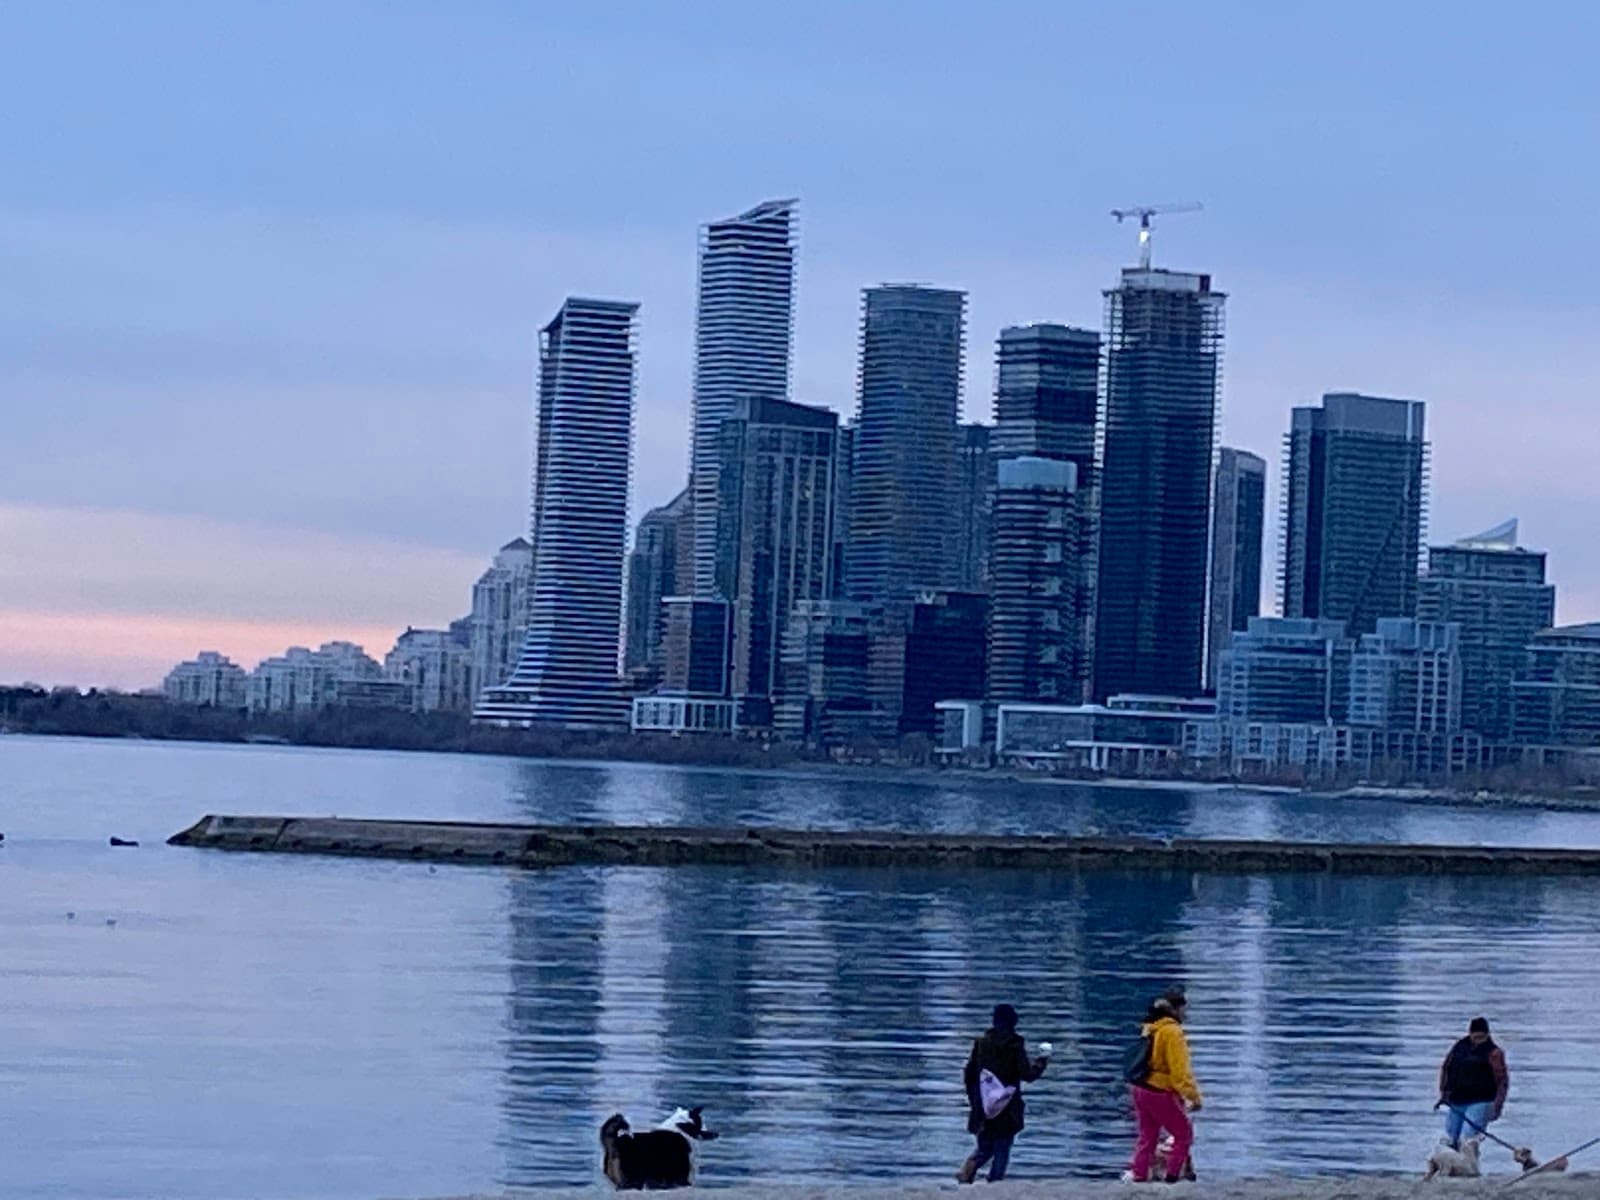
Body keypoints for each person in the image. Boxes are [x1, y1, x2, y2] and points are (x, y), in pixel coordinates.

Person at [957, 1003, 1049, 1184]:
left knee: (985, 1147)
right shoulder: (1014, 1044)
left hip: (983, 1105)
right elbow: (1027, 1074)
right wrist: (1041, 1062)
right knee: (1002, 1148)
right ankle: (994, 1185)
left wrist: (976, 1100)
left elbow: (969, 1074)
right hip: (1007, 1107)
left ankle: (966, 1175)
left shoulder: (981, 1043)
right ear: (1013, 1022)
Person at [1126, 995, 1203, 1184]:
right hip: (1160, 1091)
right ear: (1175, 1010)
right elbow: (1180, 1072)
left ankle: (1139, 1176)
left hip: (1140, 1088)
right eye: (1184, 1009)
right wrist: (1194, 1097)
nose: (1186, 1013)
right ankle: (1172, 1178)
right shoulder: (1173, 1032)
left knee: (1147, 1136)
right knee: (1184, 1135)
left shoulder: (1150, 1028)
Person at [1438, 1017, 1509, 1149]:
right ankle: (1450, 1166)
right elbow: (1446, 1069)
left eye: (1482, 1037)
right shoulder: (1458, 1048)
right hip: (1456, 1100)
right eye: (1475, 1037)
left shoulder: (1494, 1052)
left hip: (1481, 1101)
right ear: (1470, 1034)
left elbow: (1502, 1081)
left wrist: (1497, 1106)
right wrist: (1444, 1093)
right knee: (1449, 1139)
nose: (1478, 1041)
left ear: (1487, 1035)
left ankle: (1468, 1167)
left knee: (1467, 1140)